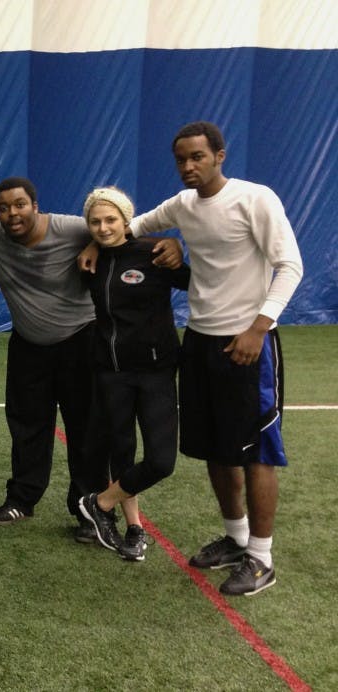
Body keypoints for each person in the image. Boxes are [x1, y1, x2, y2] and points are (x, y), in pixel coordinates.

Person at [0, 177, 179, 538]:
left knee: (86, 431)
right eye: (4, 208)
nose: (12, 213)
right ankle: (22, 499)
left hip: (81, 343)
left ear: (35, 206)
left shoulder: (72, 228)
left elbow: (114, 234)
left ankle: (88, 510)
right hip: (27, 346)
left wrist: (156, 245)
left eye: (20, 205)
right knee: (26, 426)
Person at [127, 121, 303, 595]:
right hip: (199, 343)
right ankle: (236, 537)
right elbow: (129, 228)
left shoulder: (255, 199)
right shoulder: (183, 206)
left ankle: (262, 559)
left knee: (257, 452)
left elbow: (291, 265)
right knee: (214, 449)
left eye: (198, 157)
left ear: (219, 156)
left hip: (248, 344)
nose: (188, 166)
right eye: (181, 159)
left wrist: (258, 327)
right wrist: (163, 244)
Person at [75, 187, 190, 561]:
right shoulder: (89, 261)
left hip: (156, 372)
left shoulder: (152, 253)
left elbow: (194, 281)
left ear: (127, 220)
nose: (103, 227)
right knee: (121, 452)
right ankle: (134, 528)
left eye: (110, 220)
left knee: (160, 461)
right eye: (95, 221)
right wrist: (93, 247)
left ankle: (99, 503)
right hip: (110, 373)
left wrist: (177, 248)